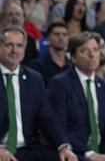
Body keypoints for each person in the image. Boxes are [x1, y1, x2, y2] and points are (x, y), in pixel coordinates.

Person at [47, 32, 105, 161]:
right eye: (84, 51)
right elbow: (59, 130)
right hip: (76, 153)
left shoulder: (104, 87)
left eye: (95, 50)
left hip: (103, 152)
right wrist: (90, 155)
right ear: (73, 58)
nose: (92, 55)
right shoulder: (60, 84)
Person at [0, 27, 76, 161]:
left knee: (62, 158)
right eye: (9, 45)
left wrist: (63, 146)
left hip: (28, 149)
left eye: (19, 46)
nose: (14, 50)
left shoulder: (34, 79)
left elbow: (47, 118)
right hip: (2, 149)